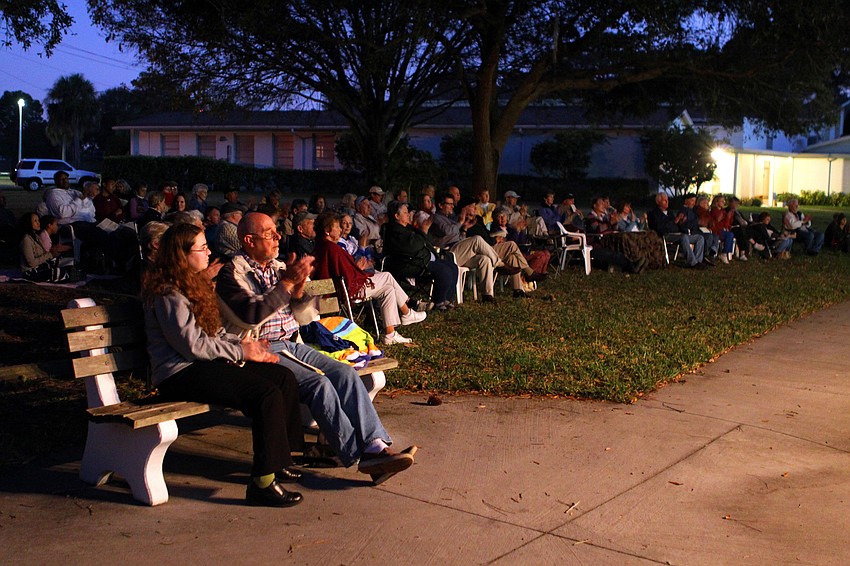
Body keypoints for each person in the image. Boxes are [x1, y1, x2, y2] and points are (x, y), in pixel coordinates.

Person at [216, 212, 416, 483]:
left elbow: (307, 315)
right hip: (260, 350)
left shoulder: (277, 267)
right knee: (318, 385)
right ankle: (361, 456)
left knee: (345, 373)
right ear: (249, 240)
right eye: (269, 233)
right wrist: (287, 284)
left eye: (277, 231)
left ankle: (377, 446)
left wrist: (298, 292)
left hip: (293, 342)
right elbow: (249, 316)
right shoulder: (233, 273)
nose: (278, 237)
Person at [142, 223, 304, 507]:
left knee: (281, 377)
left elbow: (213, 334)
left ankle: (280, 458)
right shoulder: (168, 293)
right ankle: (261, 483)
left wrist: (247, 345)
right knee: (263, 393)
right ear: (181, 254)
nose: (209, 253)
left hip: (204, 364)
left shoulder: (194, 283)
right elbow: (192, 346)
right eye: (202, 248)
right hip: (179, 373)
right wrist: (241, 352)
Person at [312, 212, 426, 344]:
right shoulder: (332, 248)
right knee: (387, 276)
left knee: (388, 289)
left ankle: (390, 334)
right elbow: (347, 275)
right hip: (349, 290)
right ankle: (407, 313)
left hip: (340, 290)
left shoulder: (321, 247)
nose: (340, 230)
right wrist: (358, 268)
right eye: (337, 227)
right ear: (327, 231)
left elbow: (341, 271)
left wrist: (355, 268)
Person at [381, 201, 459, 311]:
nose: (408, 214)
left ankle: (446, 299)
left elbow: (425, 240)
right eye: (405, 213)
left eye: (408, 212)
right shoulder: (394, 231)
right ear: (396, 216)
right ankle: (438, 302)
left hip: (421, 259)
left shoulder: (408, 228)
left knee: (452, 267)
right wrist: (422, 238)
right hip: (409, 263)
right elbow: (413, 246)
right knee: (443, 270)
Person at [646, 193, 706, 268]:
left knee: (699, 238)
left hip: (677, 233)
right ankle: (692, 263)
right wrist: (675, 221)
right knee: (683, 237)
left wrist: (681, 222)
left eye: (667, 200)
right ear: (658, 202)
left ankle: (698, 261)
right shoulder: (654, 214)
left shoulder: (670, 213)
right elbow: (660, 228)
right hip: (666, 235)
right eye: (664, 201)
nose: (667, 202)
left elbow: (677, 225)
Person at [18, 213, 68, 282]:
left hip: (40, 266)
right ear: (28, 223)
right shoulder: (26, 239)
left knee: (63, 264)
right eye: (35, 221)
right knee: (59, 271)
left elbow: (43, 255)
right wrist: (50, 254)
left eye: (38, 220)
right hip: (31, 272)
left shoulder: (36, 236)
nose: (38, 223)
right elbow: (31, 263)